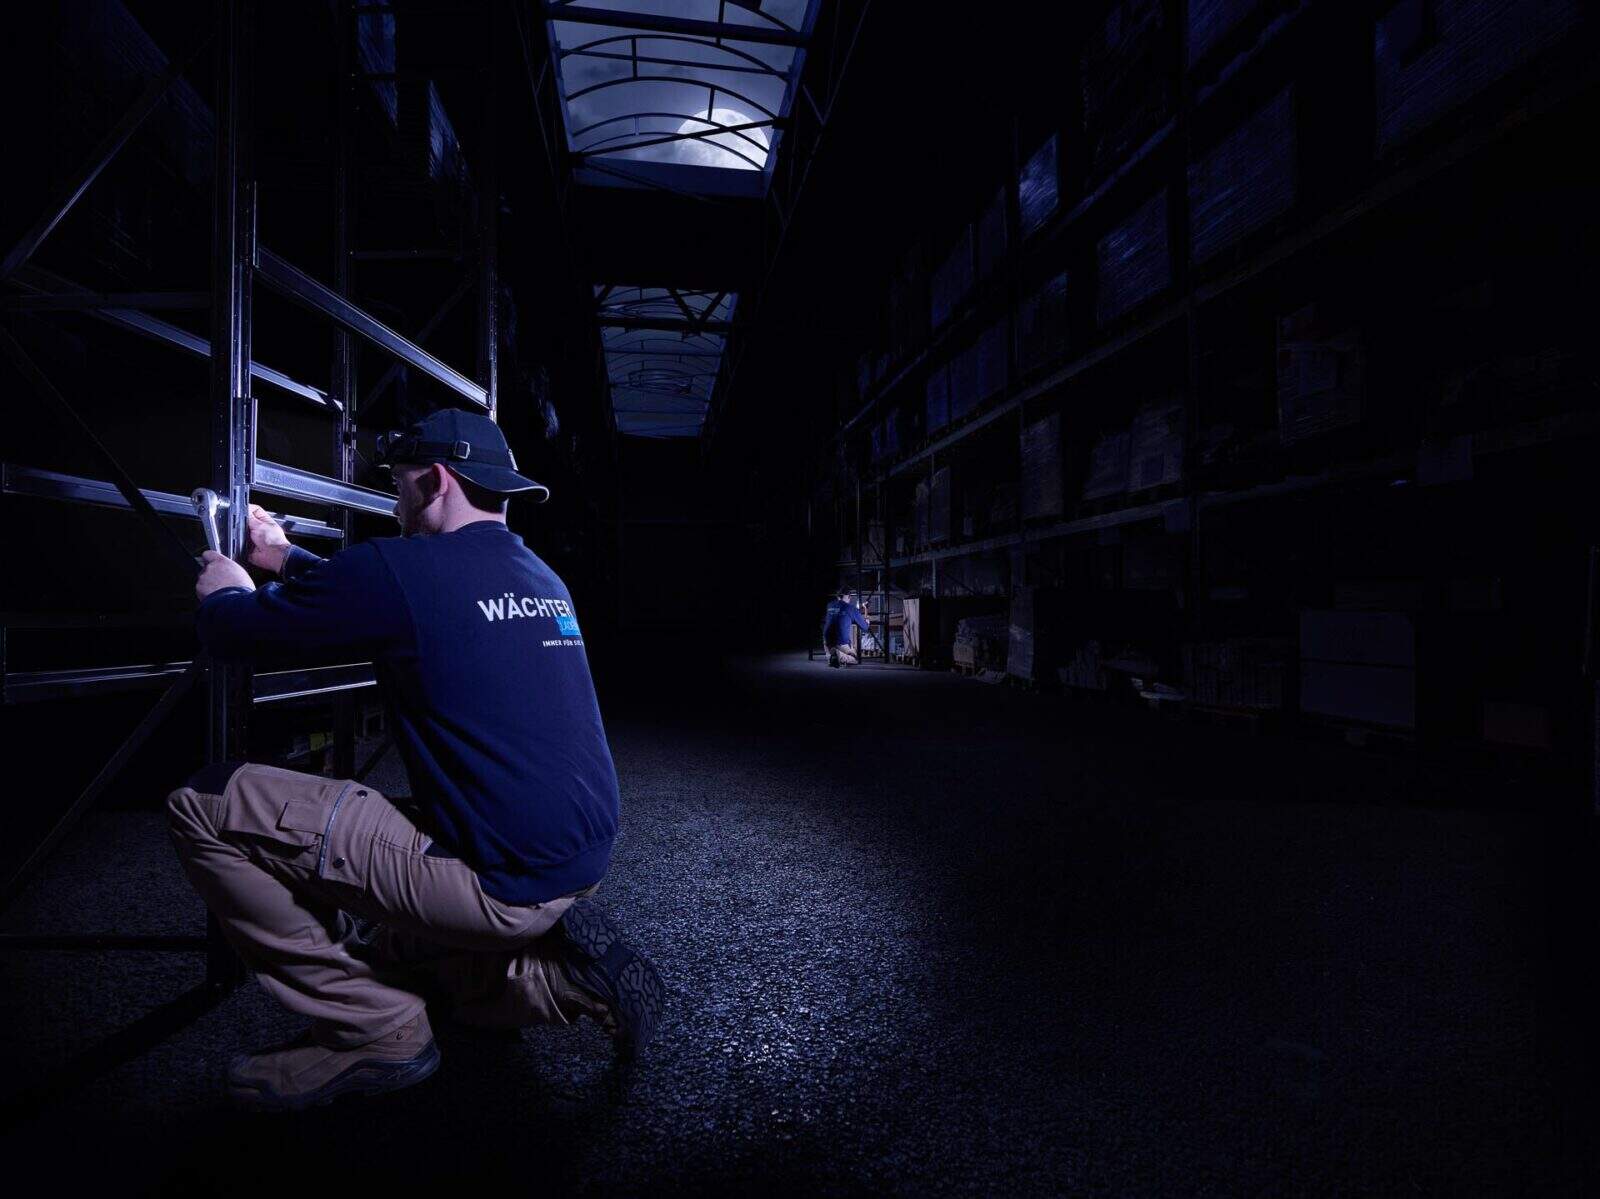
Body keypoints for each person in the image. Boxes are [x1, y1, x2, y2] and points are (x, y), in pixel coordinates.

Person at [167, 407, 663, 1111]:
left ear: (434, 481)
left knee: (205, 801)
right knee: (397, 951)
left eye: (399, 487)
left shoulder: (405, 570)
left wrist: (226, 592)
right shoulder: (543, 578)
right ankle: (551, 976)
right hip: (573, 863)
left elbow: (236, 632)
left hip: (495, 882)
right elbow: (398, 596)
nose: (395, 503)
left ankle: (377, 1028)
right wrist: (282, 556)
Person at [822, 589, 871, 667]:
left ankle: (832, 656)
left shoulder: (829, 605)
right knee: (854, 659)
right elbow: (865, 627)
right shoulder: (851, 608)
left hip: (827, 642)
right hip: (841, 643)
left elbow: (839, 615)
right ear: (849, 596)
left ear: (838, 596)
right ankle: (838, 654)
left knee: (833, 658)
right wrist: (867, 621)